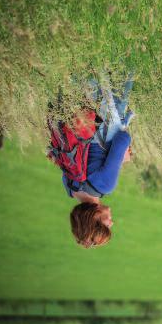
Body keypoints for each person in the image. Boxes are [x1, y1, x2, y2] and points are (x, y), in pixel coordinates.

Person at [64, 77, 134, 248]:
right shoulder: (70, 187)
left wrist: (122, 159)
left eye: (106, 225)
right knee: (88, 71)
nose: (112, 223)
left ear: (94, 218)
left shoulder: (105, 186)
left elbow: (123, 139)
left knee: (124, 69)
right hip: (82, 119)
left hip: (107, 117)